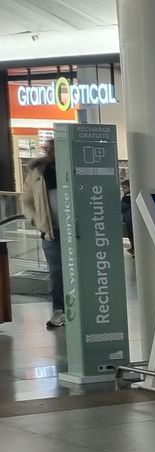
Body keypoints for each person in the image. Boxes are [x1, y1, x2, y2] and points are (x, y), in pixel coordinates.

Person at [19, 140, 63, 328]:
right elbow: (27, 199)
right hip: (51, 231)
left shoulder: (79, 168)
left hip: (79, 231)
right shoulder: (38, 171)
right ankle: (60, 310)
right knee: (57, 271)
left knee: (81, 271)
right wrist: (36, 220)